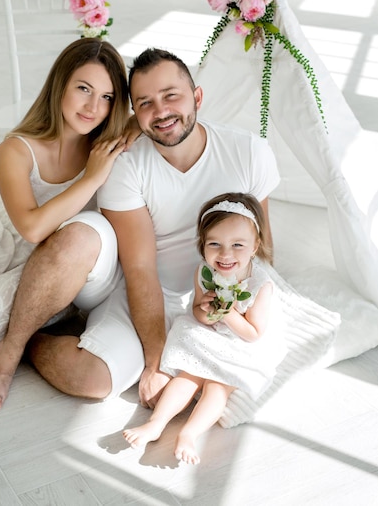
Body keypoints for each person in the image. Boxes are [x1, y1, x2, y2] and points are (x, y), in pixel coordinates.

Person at [22, 47, 280, 410]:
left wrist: (240, 310)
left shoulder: (250, 151)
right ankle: (34, 339)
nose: (160, 112)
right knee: (91, 380)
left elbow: (262, 246)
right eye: (145, 103)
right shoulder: (126, 165)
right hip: (149, 295)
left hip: (220, 295)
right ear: (134, 114)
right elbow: (139, 268)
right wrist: (156, 362)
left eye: (171, 96)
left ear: (197, 97)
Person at [0, 37, 137, 412]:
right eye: (84, 89)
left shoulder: (107, 142)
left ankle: (11, 351)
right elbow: (30, 229)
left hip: (52, 267)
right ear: (60, 84)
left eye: (108, 97)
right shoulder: (16, 149)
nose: (94, 107)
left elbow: (153, 114)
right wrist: (90, 179)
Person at [123, 191, 286, 464]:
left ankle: (189, 434)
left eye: (237, 245)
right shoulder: (205, 272)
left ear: (255, 246)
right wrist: (207, 313)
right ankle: (155, 424)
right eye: (214, 244)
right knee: (188, 376)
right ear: (202, 245)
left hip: (242, 343)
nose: (225, 254)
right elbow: (197, 310)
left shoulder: (261, 285)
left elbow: (254, 333)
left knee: (216, 387)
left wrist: (229, 313)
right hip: (212, 332)